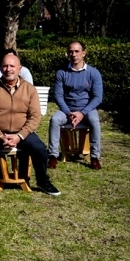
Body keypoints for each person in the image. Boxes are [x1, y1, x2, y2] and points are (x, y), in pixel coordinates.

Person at [0, 52, 60, 196]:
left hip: (23, 132)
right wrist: (0, 136)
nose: (8, 69)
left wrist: (19, 136)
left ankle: (43, 181)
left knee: (40, 150)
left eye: (12, 66)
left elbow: (35, 116)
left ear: (19, 69)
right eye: (5, 66)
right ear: (1, 69)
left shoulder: (30, 89)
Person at [47, 41, 104, 170]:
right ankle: (53, 156)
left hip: (87, 109)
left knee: (95, 121)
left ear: (83, 53)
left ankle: (94, 157)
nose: (74, 54)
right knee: (55, 120)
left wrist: (82, 113)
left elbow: (97, 97)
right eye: (71, 52)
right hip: (67, 110)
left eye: (77, 51)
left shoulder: (94, 73)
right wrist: (69, 113)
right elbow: (58, 96)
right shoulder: (61, 73)